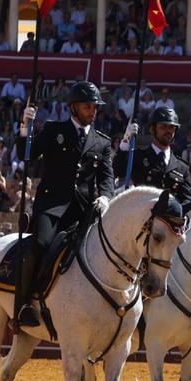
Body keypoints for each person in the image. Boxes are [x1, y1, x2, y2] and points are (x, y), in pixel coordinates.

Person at [13, 80, 116, 328]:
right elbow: (25, 154)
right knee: (40, 244)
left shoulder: (102, 142)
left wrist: (105, 196)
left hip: (84, 210)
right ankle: (24, 304)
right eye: (87, 107)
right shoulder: (52, 130)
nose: (92, 111)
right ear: (73, 107)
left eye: (95, 107)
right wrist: (25, 127)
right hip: (52, 205)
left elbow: (107, 177)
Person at [115, 106, 191, 194]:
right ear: (152, 129)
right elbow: (118, 170)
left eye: (171, 127)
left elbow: (187, 200)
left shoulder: (182, 167)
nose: (168, 131)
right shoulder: (138, 157)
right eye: (163, 127)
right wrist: (126, 139)